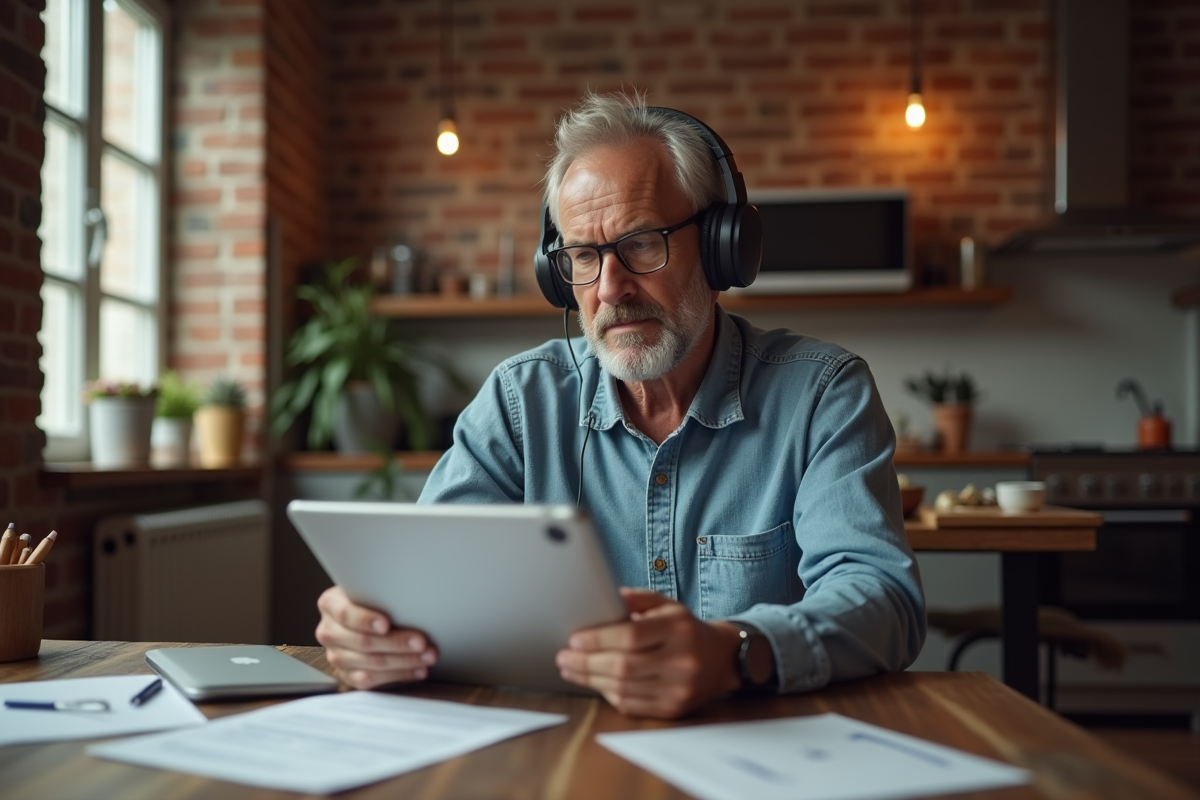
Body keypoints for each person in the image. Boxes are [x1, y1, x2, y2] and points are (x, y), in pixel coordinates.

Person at [316, 91, 926, 719]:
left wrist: (735, 651)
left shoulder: (823, 394)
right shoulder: (518, 402)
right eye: (583, 256)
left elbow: (883, 600)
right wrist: (374, 626)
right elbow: (430, 582)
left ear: (721, 248)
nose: (610, 288)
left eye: (641, 244)